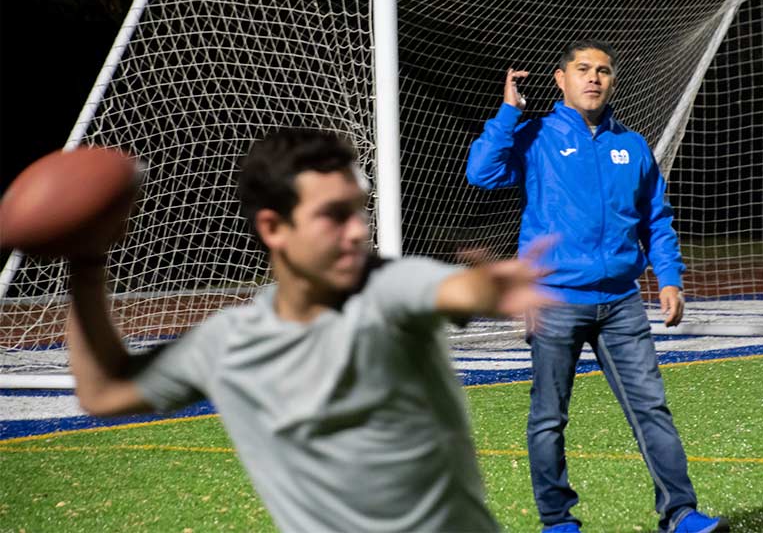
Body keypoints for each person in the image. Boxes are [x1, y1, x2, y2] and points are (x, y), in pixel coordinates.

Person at [64, 126, 557, 532]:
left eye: (359, 209)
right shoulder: (226, 345)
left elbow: (450, 290)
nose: (359, 229)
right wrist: (85, 263)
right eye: (334, 216)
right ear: (273, 228)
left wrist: (486, 290)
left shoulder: (385, 287)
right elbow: (103, 392)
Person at [466, 39, 728, 533]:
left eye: (603, 71)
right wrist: (506, 114)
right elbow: (481, 173)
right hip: (554, 302)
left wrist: (668, 278)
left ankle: (681, 514)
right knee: (549, 419)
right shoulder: (534, 136)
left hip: (622, 305)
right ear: (560, 79)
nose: (593, 78)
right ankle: (557, 522)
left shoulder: (630, 145)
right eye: (582, 69)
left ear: (612, 81)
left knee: (651, 409)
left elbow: (656, 219)